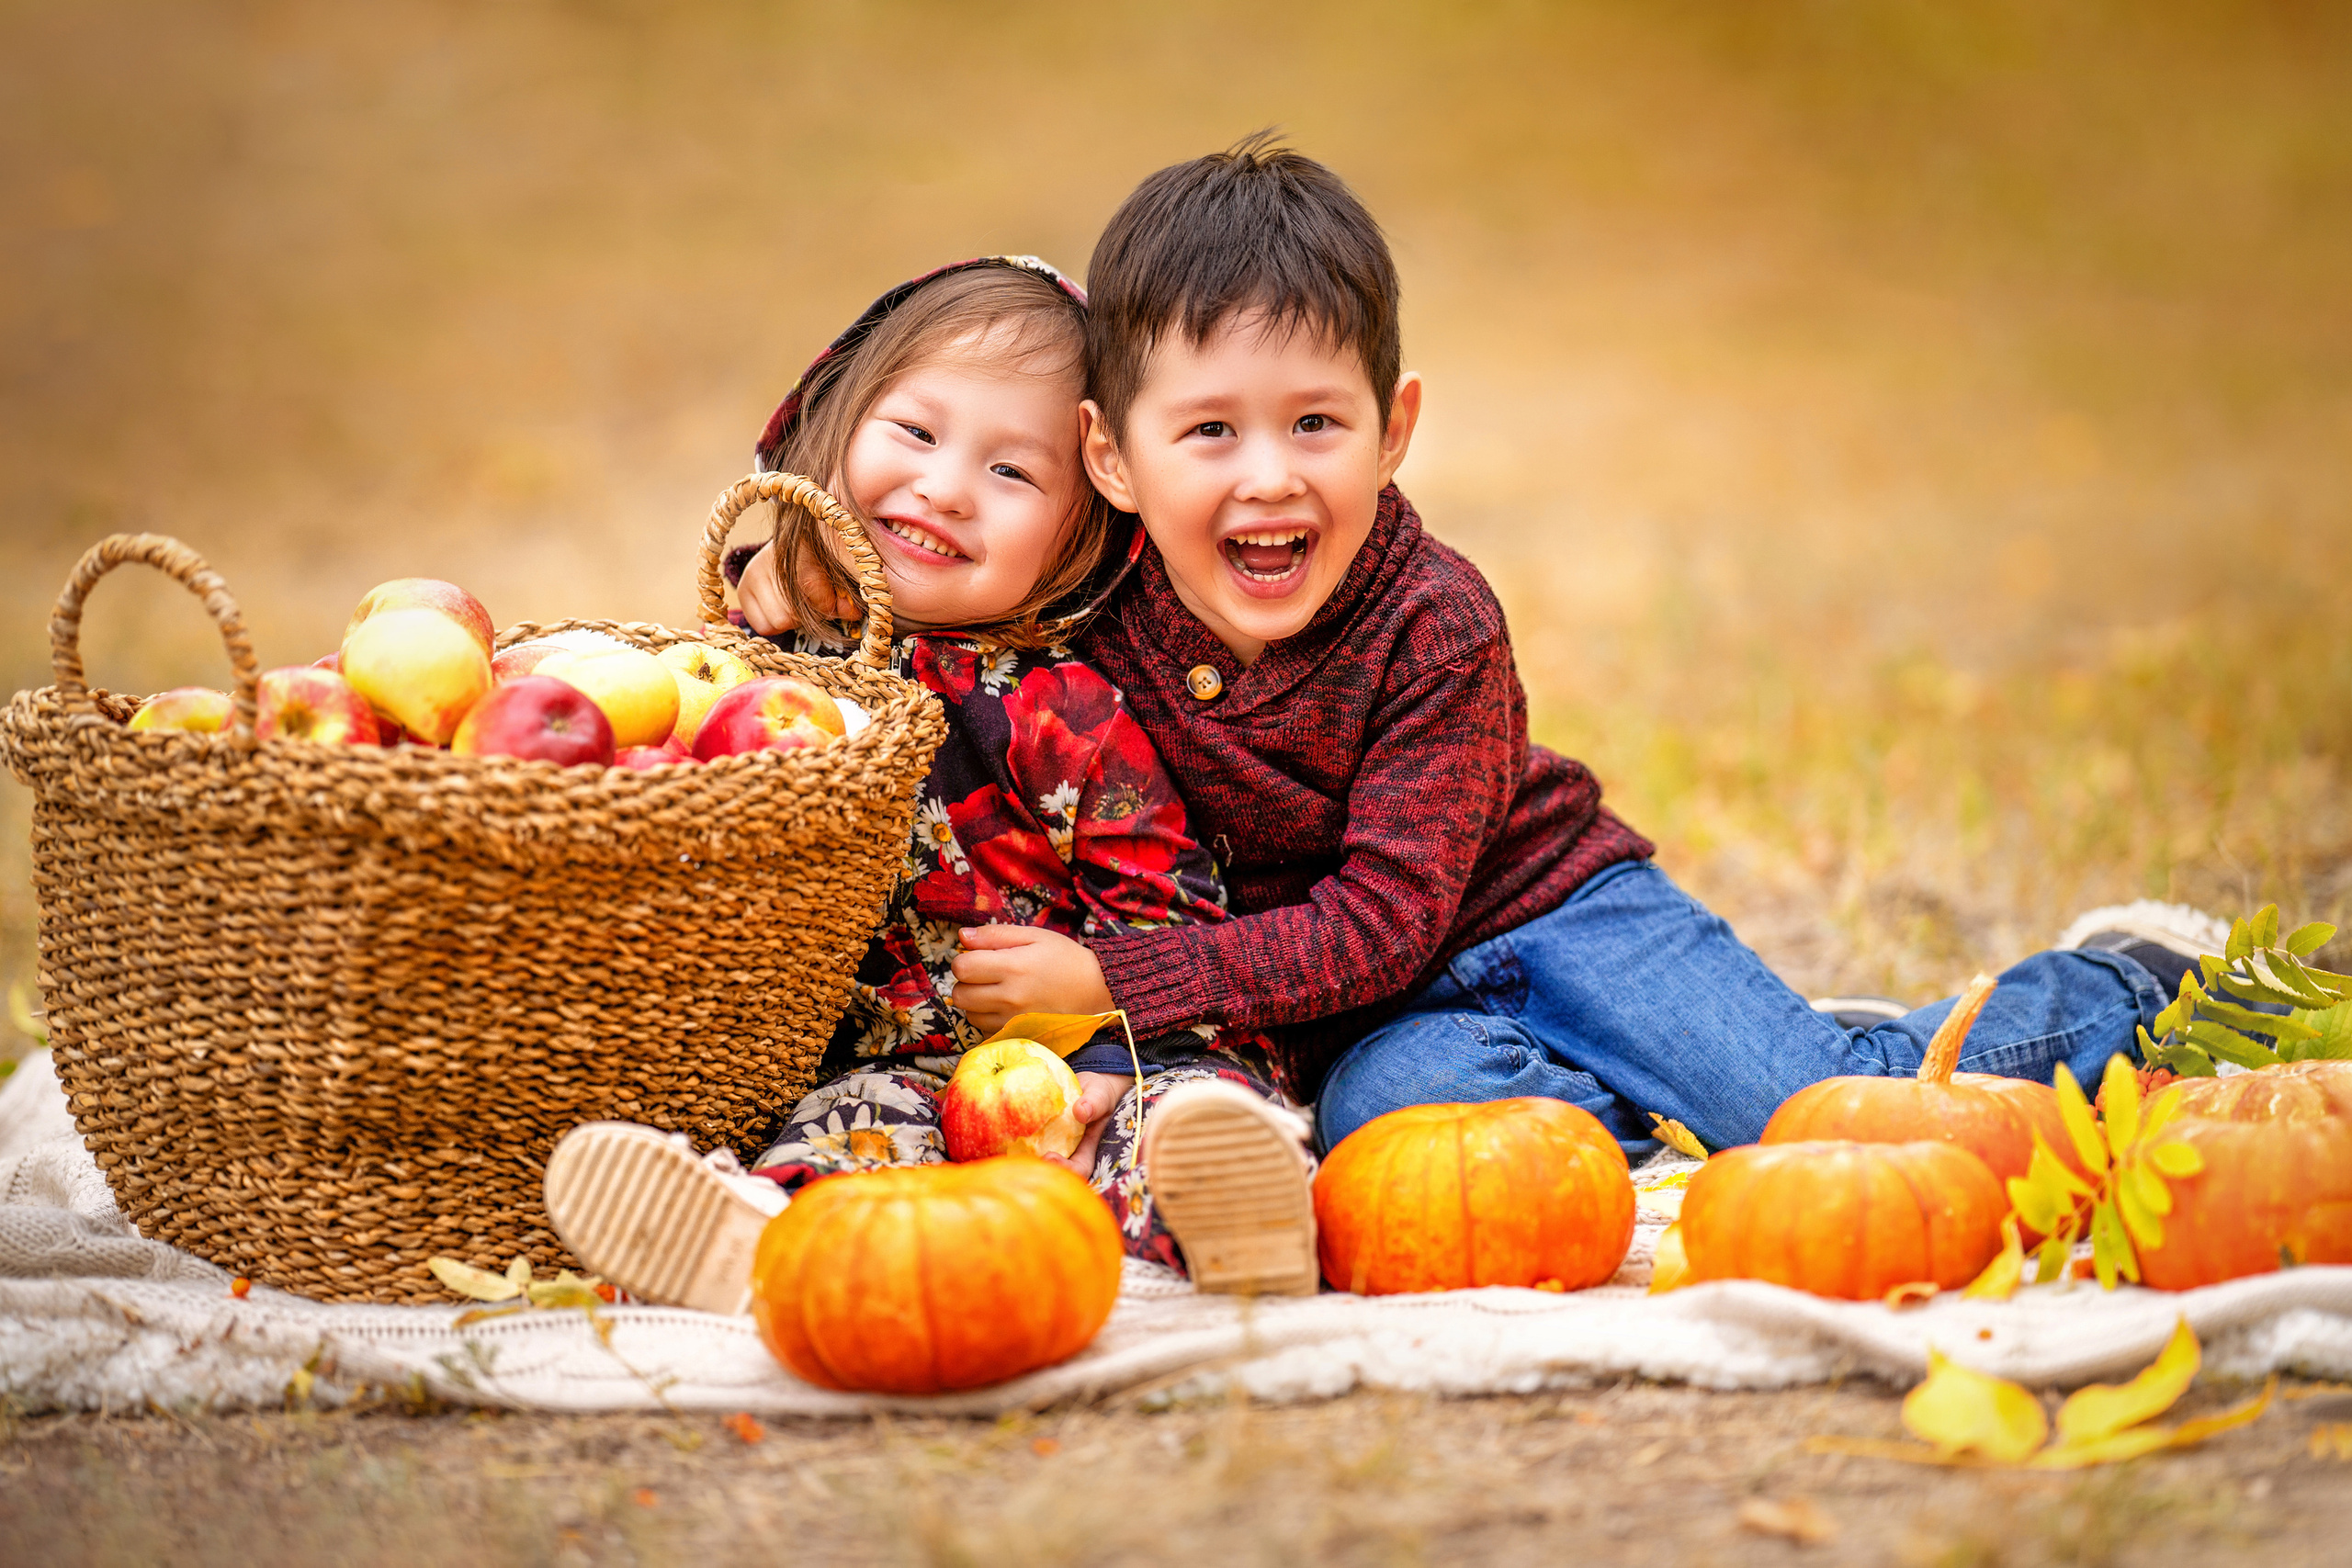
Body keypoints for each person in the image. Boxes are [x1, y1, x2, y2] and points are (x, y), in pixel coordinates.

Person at [901, 138, 2217, 1165]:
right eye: (1210, 434)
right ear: (1112, 457)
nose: (1269, 479)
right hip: (1391, 1017)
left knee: (1823, 1109)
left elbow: (1381, 920)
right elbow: (939, 622)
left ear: (1394, 426)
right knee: (1400, 1132)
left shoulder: (1436, 620)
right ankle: (1649, 1081)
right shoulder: (1097, 612)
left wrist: (1114, 978)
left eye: (1315, 423)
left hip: (1554, 915)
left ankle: (2120, 981)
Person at [542, 257, 1317, 1317]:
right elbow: (689, 801)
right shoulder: (769, 668)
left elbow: (1173, 911)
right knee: (847, 1134)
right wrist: (782, 575)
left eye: (1013, 474)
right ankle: (750, 1243)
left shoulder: (1065, 711)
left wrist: (1096, 993)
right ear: (835, 421)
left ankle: (1235, 1209)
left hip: (1092, 1048)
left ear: (1080, 532)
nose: (947, 488)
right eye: (914, 433)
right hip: (885, 1063)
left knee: (1187, 1105)